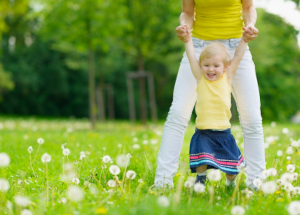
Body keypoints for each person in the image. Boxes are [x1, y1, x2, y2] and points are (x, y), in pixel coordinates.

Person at [155, 0, 266, 189]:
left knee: (252, 117)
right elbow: (187, 12)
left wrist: (250, 26)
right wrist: (185, 27)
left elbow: (248, 8)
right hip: (199, 47)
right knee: (177, 115)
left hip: (236, 44)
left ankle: (256, 183)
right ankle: (162, 182)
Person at [185, 29, 248, 186]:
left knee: (231, 165)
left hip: (223, 132)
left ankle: (230, 184)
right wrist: (187, 40)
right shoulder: (201, 78)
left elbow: (238, 56)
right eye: (206, 65)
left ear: (226, 66)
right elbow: (192, 57)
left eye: (215, 65)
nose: (211, 69)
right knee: (201, 158)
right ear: (201, 66)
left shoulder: (226, 77)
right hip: (203, 131)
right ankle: (201, 178)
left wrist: (244, 40)